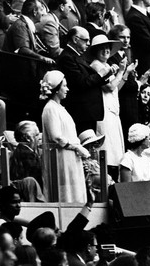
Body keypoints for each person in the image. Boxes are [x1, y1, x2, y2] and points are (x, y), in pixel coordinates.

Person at [40, 70, 90, 202]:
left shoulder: (60, 108)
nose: (67, 89)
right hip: (62, 158)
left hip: (71, 158)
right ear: (56, 89)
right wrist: (76, 148)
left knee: (76, 192)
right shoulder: (50, 108)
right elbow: (56, 136)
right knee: (65, 193)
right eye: (64, 86)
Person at [88, 34, 136, 167]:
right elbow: (109, 87)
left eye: (107, 48)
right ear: (96, 51)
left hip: (113, 108)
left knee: (115, 148)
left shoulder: (107, 64)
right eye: (101, 48)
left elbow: (116, 89)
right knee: (107, 148)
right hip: (104, 109)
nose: (106, 51)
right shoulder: (96, 65)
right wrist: (121, 72)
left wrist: (125, 73)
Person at [57, 26, 112, 134]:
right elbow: (81, 83)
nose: (88, 44)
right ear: (75, 39)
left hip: (87, 112)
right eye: (86, 40)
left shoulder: (78, 56)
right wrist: (102, 73)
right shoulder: (67, 57)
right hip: (81, 111)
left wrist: (107, 74)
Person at [107, 25, 150, 147]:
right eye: (122, 37)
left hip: (131, 104)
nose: (126, 40)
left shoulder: (125, 55)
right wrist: (137, 82)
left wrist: (141, 80)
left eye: (128, 37)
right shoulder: (111, 58)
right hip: (123, 104)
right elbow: (123, 85)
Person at [3, 0, 55, 64]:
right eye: (41, 10)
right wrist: (41, 58)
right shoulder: (21, 26)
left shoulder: (24, 24)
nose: (43, 13)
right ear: (35, 11)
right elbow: (23, 49)